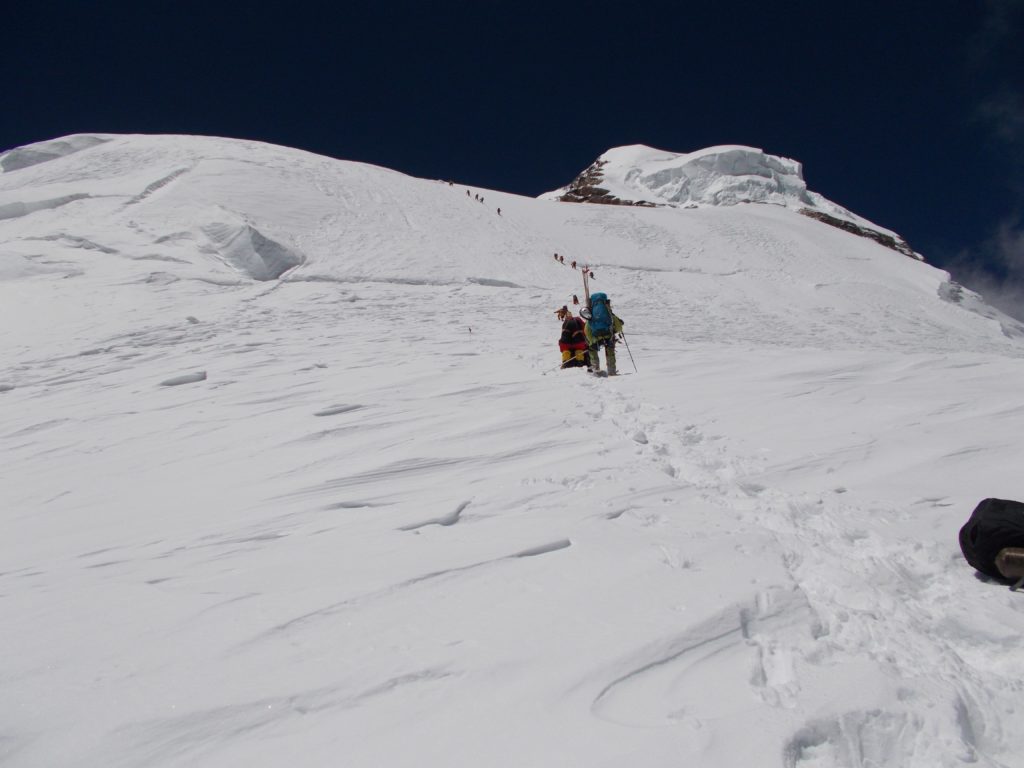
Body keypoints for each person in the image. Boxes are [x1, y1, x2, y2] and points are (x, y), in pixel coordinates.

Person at [583, 292, 624, 375]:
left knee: (592, 350)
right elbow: (619, 327)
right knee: (610, 352)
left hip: (595, 338)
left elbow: (586, 330)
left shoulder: (591, 314)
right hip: (608, 337)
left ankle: (595, 368)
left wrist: (592, 341)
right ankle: (611, 371)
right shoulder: (608, 313)